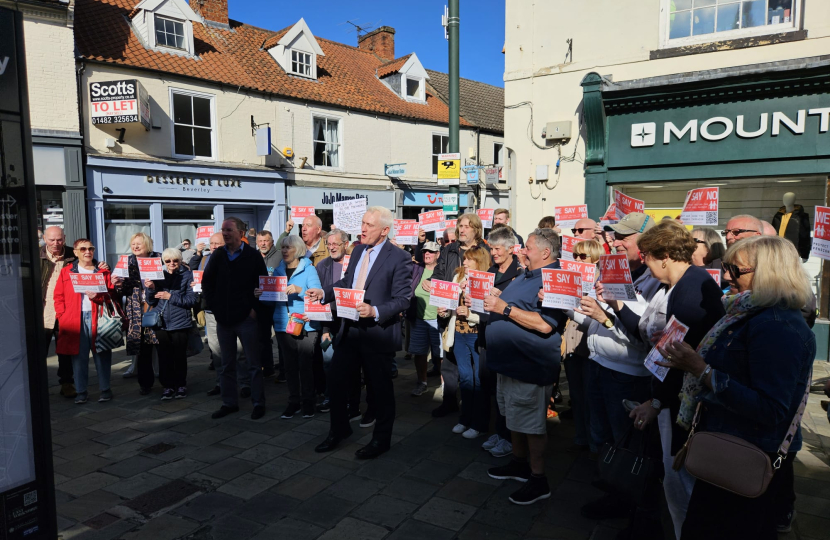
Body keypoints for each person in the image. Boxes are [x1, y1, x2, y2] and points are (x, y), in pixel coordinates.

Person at [657, 236, 815, 540]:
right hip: (727, 450)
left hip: (744, 458)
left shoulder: (776, 325)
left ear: (769, 273)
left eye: (735, 270)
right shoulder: (747, 314)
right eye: (727, 267)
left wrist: (701, 370)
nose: (726, 276)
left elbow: (770, 408)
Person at [607, 221, 725, 537]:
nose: (644, 263)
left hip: (683, 408)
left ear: (666, 256)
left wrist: (657, 402)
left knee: (681, 486)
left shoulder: (689, 291)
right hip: (675, 400)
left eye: (647, 256)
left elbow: (678, 360)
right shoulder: (683, 284)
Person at [571, 213, 662, 520]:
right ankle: (612, 491)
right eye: (615, 236)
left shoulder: (655, 281)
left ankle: (629, 502)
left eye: (625, 237)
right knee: (602, 437)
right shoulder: (613, 269)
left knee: (626, 442)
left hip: (627, 375)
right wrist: (566, 304)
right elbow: (593, 321)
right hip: (599, 363)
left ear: (647, 241)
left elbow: (644, 338)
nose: (616, 242)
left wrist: (606, 317)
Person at [308, 206, 412, 459]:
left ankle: (381, 439)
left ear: (384, 230)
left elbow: (403, 299)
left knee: (380, 390)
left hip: (377, 332)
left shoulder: (399, 257)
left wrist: (375, 310)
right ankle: (339, 430)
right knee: (336, 381)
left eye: (369, 225)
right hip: (350, 330)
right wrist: (325, 293)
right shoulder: (357, 251)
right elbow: (347, 283)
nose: (362, 229)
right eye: (362, 223)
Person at [483, 229, 567, 505]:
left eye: (528, 248)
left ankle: (538, 479)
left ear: (545, 252)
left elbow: (545, 325)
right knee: (514, 419)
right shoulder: (527, 274)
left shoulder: (554, 279)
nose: (522, 251)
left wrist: (504, 308)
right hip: (510, 364)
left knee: (531, 425)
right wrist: (498, 297)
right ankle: (519, 464)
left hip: (529, 366)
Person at [202, 217, 270, 420]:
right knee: (226, 364)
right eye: (223, 230)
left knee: (253, 364)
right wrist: (215, 308)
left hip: (246, 319)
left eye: (229, 230)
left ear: (241, 233)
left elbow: (263, 284)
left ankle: (258, 403)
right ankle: (229, 403)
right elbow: (207, 283)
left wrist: (254, 310)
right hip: (224, 319)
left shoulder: (253, 256)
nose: (225, 233)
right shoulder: (218, 255)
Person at [425, 213, 491, 418]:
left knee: (476, 369)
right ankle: (450, 402)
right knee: (449, 363)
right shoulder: (449, 249)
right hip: (450, 315)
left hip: (476, 323)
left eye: (466, 226)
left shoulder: (485, 250)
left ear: (476, 229)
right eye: (460, 226)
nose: (462, 230)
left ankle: (477, 409)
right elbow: (439, 274)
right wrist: (433, 286)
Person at [53, 239, 117, 404]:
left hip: (99, 317)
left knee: (102, 354)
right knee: (79, 357)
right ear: (75, 252)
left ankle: (105, 390)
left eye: (90, 248)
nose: (87, 252)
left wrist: (98, 296)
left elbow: (111, 294)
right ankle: (81, 392)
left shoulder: (102, 271)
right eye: (83, 249)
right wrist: (62, 316)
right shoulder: (67, 271)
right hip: (75, 319)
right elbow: (58, 296)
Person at [479, 226, 523, 458]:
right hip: (489, 335)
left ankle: (509, 438)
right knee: (494, 389)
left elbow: (522, 305)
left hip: (508, 338)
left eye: (498, 249)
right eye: (492, 249)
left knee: (509, 392)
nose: (494, 253)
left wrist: (501, 298)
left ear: (510, 249)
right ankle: (500, 431)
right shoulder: (490, 271)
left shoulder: (521, 272)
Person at [439, 245, 493, 439]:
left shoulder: (487, 281)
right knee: (465, 378)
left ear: (480, 262)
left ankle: (479, 423)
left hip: (477, 334)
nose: (465, 262)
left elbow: (489, 313)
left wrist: (470, 314)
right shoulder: (458, 277)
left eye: (470, 259)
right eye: (465, 258)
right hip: (459, 333)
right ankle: (465, 419)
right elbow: (451, 305)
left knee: (479, 380)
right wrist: (444, 311)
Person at [193, 233, 252, 397]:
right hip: (212, 312)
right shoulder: (205, 260)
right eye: (211, 243)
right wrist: (196, 285)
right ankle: (221, 383)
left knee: (239, 351)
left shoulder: (235, 259)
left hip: (233, 312)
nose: (213, 246)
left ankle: (244, 383)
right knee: (216, 351)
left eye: (217, 243)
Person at [273, 234, 322, 419]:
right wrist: (262, 294)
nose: (284, 251)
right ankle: (293, 402)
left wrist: (299, 290)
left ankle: (308, 402)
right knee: (289, 366)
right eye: (283, 247)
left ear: (298, 250)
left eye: (288, 247)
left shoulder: (309, 269)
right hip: (283, 324)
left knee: (305, 365)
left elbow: (317, 295)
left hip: (305, 324)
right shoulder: (278, 270)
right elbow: (273, 300)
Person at [561, 239, 604, 453]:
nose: (578, 260)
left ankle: (595, 443)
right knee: (576, 396)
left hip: (591, 343)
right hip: (573, 342)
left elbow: (598, 320)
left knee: (591, 397)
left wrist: (568, 309)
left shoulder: (601, 283)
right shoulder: (572, 278)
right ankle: (580, 438)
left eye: (583, 256)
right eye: (575, 255)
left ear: (595, 258)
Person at [111, 233, 163, 395]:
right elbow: (123, 291)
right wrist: (119, 285)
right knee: (142, 348)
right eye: (133, 244)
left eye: (139, 243)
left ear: (147, 244)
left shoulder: (159, 258)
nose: (135, 246)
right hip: (136, 310)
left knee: (162, 345)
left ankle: (167, 382)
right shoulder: (127, 262)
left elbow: (170, 279)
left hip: (156, 307)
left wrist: (155, 286)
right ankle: (145, 383)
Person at [145, 248, 198, 400]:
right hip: (161, 322)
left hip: (180, 321)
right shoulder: (158, 275)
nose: (171, 263)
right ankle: (167, 386)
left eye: (175, 260)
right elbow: (151, 301)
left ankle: (181, 385)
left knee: (179, 356)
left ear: (180, 261)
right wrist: (151, 289)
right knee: (164, 356)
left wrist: (170, 296)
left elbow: (192, 300)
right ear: (164, 261)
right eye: (168, 261)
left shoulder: (188, 276)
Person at [314, 229, 351, 414]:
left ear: (346, 244)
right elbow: (318, 295)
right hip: (329, 321)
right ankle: (330, 397)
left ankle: (349, 399)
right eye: (329, 244)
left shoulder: (355, 263)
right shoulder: (322, 265)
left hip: (351, 322)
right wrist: (325, 329)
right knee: (328, 361)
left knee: (349, 363)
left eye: (335, 244)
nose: (332, 247)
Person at [40, 226, 78, 397]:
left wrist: (102, 265)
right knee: (39, 351)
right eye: (51, 240)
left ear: (65, 238)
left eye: (59, 239)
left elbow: (91, 267)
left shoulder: (73, 255)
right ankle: (38, 386)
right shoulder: (36, 256)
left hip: (65, 311)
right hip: (43, 312)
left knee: (65, 351)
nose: (56, 243)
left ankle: (67, 383)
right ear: (44, 239)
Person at [407, 241, 443, 397]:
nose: (427, 254)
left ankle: (444, 384)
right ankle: (422, 382)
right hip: (419, 319)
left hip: (438, 319)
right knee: (419, 353)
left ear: (438, 254)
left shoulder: (443, 270)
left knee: (440, 354)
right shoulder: (417, 269)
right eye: (424, 251)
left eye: (431, 252)